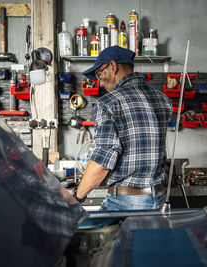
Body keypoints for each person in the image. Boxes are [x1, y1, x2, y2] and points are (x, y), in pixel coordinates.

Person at [73, 46, 172, 211]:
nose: (101, 82)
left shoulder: (108, 103)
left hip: (126, 202)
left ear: (113, 66)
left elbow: (102, 163)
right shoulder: (163, 99)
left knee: (89, 234)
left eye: (99, 74)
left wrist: (77, 197)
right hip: (159, 199)